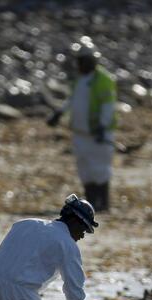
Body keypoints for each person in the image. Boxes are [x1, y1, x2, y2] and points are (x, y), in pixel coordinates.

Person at [47, 37, 117, 212]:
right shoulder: (79, 80)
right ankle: (92, 202)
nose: (80, 64)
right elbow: (72, 100)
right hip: (80, 133)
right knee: (84, 168)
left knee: (100, 168)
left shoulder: (103, 80)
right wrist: (59, 113)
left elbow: (108, 105)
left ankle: (103, 203)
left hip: (98, 134)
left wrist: (102, 126)